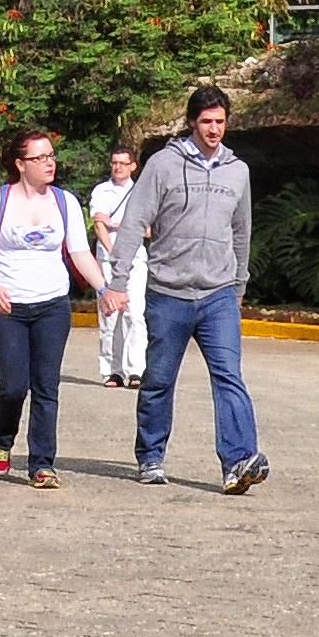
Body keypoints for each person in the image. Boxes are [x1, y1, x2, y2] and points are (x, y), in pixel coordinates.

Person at [102, 82, 264, 492]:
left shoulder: (237, 170)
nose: (214, 130)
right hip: (169, 293)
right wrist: (117, 282)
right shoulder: (162, 164)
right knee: (159, 379)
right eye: (207, 121)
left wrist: (239, 282)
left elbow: (242, 230)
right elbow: (136, 221)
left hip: (218, 293)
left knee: (229, 376)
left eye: (221, 122)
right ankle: (151, 456)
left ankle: (239, 461)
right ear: (192, 122)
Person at [0, 128, 105, 487]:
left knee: (47, 386)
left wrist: (103, 288)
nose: (49, 163)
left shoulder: (65, 202)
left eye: (51, 156)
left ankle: (42, 464)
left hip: (52, 304)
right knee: (14, 387)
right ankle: (2, 441)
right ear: (20, 164)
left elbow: (79, 252)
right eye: (39, 158)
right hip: (9, 305)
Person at [87, 145, 146, 386]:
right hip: (108, 259)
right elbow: (99, 223)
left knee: (135, 313)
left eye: (123, 163)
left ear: (133, 166)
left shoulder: (141, 192)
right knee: (109, 314)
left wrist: (118, 225)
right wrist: (114, 252)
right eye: (114, 163)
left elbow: (149, 228)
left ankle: (136, 370)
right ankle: (112, 370)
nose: (118, 167)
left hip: (136, 258)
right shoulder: (102, 191)